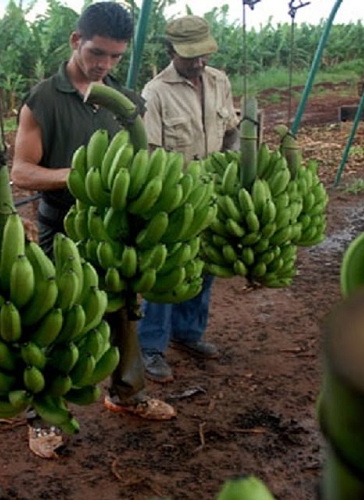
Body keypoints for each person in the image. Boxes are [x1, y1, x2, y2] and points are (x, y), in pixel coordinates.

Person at [11, 1, 176, 459]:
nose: (104, 65)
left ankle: (126, 393)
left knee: (124, 315)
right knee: (54, 321)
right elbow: (22, 173)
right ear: (75, 41)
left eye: (115, 57)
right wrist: (82, 176)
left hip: (116, 232)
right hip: (62, 229)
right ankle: (43, 415)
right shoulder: (42, 99)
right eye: (97, 53)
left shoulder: (127, 103)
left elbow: (140, 162)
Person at [137, 15, 240, 382]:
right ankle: (151, 347)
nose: (199, 62)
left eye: (203, 55)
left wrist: (235, 164)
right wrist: (165, 196)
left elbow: (231, 131)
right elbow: (148, 152)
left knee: (206, 266)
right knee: (166, 273)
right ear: (170, 51)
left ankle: (189, 333)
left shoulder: (219, 81)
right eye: (190, 56)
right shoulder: (155, 92)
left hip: (213, 192)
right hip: (174, 198)